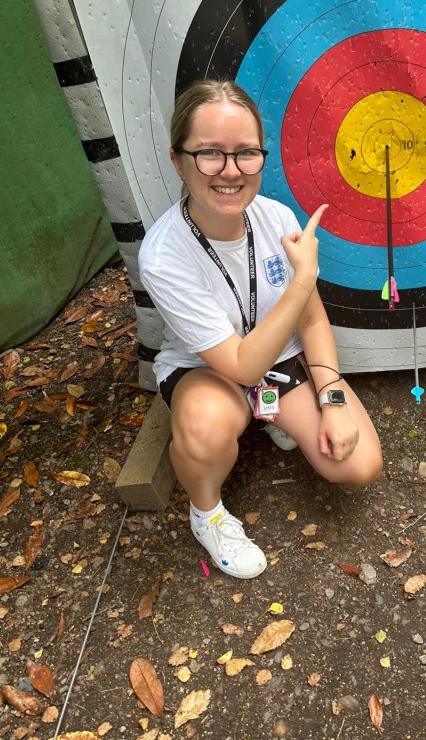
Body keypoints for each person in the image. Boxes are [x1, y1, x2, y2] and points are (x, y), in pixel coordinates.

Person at [139, 79, 382, 579]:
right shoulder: (164, 256)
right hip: (212, 370)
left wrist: (331, 400)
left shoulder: (274, 216)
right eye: (210, 153)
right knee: (207, 426)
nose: (231, 172)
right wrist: (304, 278)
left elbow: (311, 319)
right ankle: (206, 513)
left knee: (359, 466)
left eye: (246, 153)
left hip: (279, 363)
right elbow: (241, 364)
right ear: (177, 160)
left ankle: (269, 416)